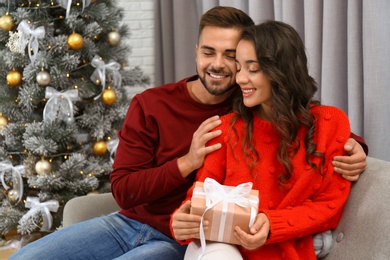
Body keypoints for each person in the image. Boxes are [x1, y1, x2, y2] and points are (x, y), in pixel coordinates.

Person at [10, 6, 367, 260]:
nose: (222, 66)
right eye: (209, 51)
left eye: (234, 57)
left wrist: (354, 146)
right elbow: (123, 190)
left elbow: (304, 123)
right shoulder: (153, 104)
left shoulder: (248, 108)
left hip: (182, 239)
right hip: (130, 221)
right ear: (196, 52)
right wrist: (187, 161)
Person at [171, 20, 356, 259]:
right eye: (239, 67)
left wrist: (272, 223)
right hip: (221, 246)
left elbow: (330, 206)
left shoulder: (330, 123)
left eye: (252, 69)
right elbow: (202, 194)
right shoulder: (227, 128)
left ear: (281, 71)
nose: (240, 79)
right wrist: (183, 219)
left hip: (283, 245)